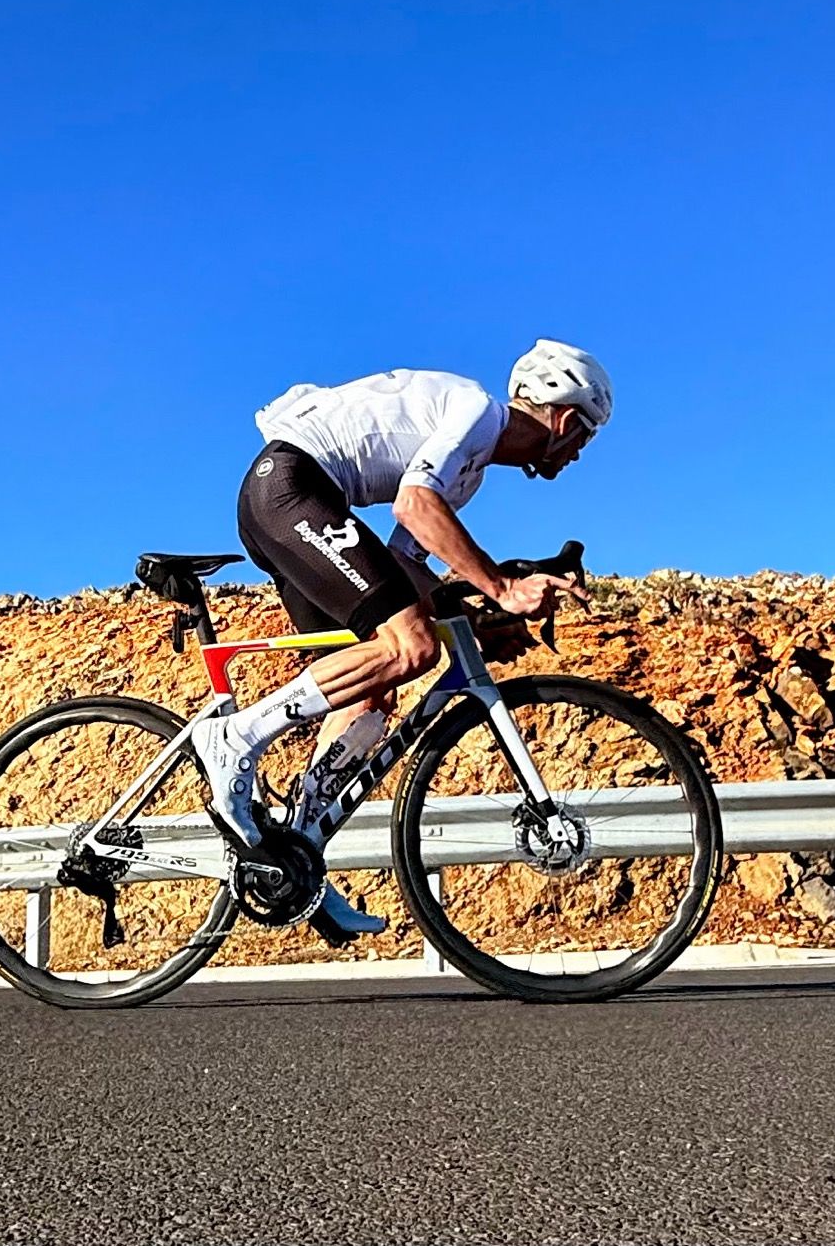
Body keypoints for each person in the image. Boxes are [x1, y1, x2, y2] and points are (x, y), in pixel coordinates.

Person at [192, 338, 612, 941]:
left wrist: (476, 618)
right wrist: (501, 588)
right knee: (411, 646)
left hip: (296, 499)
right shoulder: (476, 411)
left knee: (371, 689)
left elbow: (403, 564)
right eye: (584, 440)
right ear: (566, 421)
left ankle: (301, 858)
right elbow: (415, 506)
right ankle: (236, 737)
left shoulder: (467, 476)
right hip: (291, 487)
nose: (578, 455)